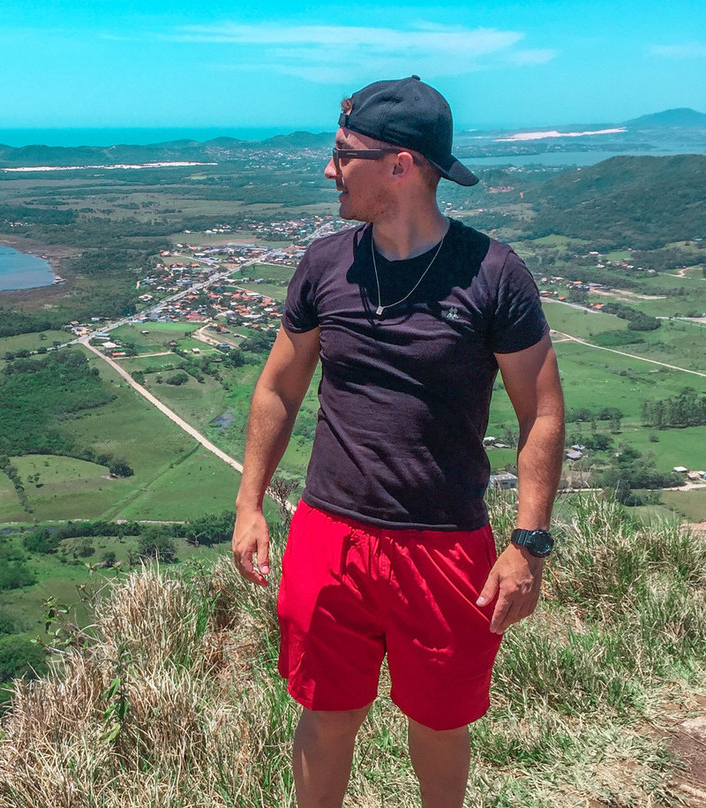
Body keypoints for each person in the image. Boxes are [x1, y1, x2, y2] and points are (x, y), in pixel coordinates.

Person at [231, 76, 565, 808]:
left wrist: (528, 544)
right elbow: (279, 388)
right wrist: (249, 503)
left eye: (344, 153)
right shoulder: (325, 265)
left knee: (441, 722)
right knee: (326, 713)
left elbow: (541, 411)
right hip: (329, 532)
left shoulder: (494, 274)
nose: (329, 169)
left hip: (444, 544)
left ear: (401, 164)